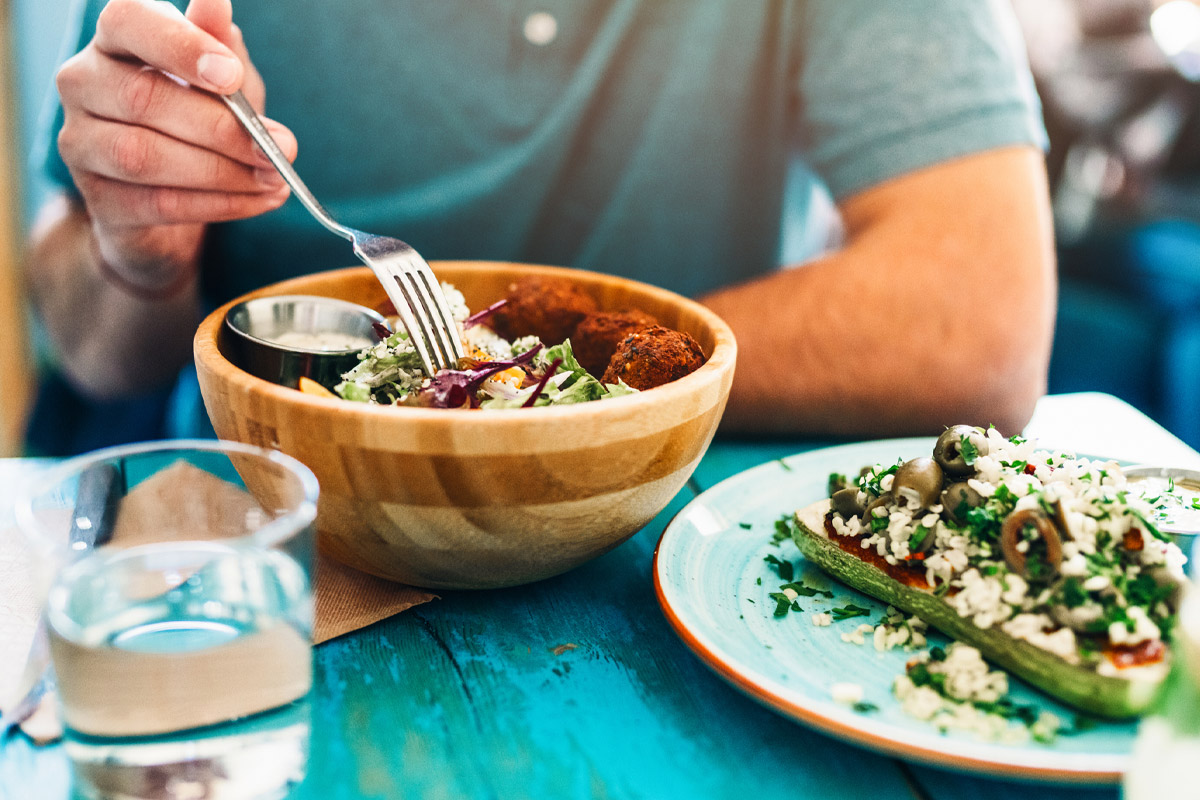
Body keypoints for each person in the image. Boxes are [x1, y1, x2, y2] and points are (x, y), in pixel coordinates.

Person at [25, 0, 1056, 443]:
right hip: (266, 540)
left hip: (674, 541)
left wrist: (534, 383)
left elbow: (981, 321)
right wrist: (140, 255)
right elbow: (86, 346)